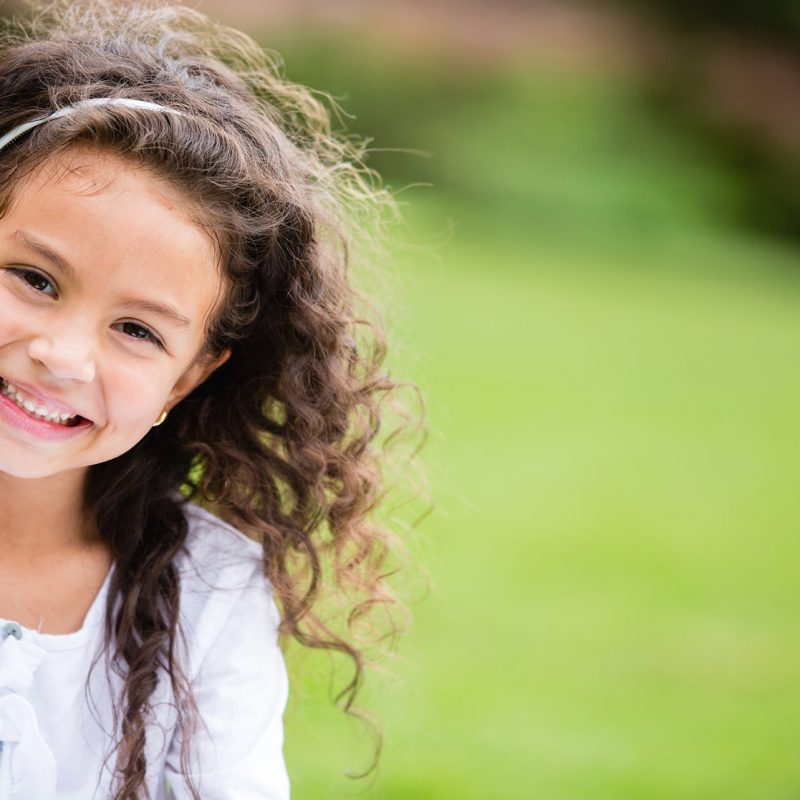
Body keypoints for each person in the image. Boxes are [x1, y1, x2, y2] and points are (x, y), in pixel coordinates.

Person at [0, 1, 414, 797]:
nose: (61, 354)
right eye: (34, 279)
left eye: (137, 330)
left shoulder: (208, 587)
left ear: (187, 379)